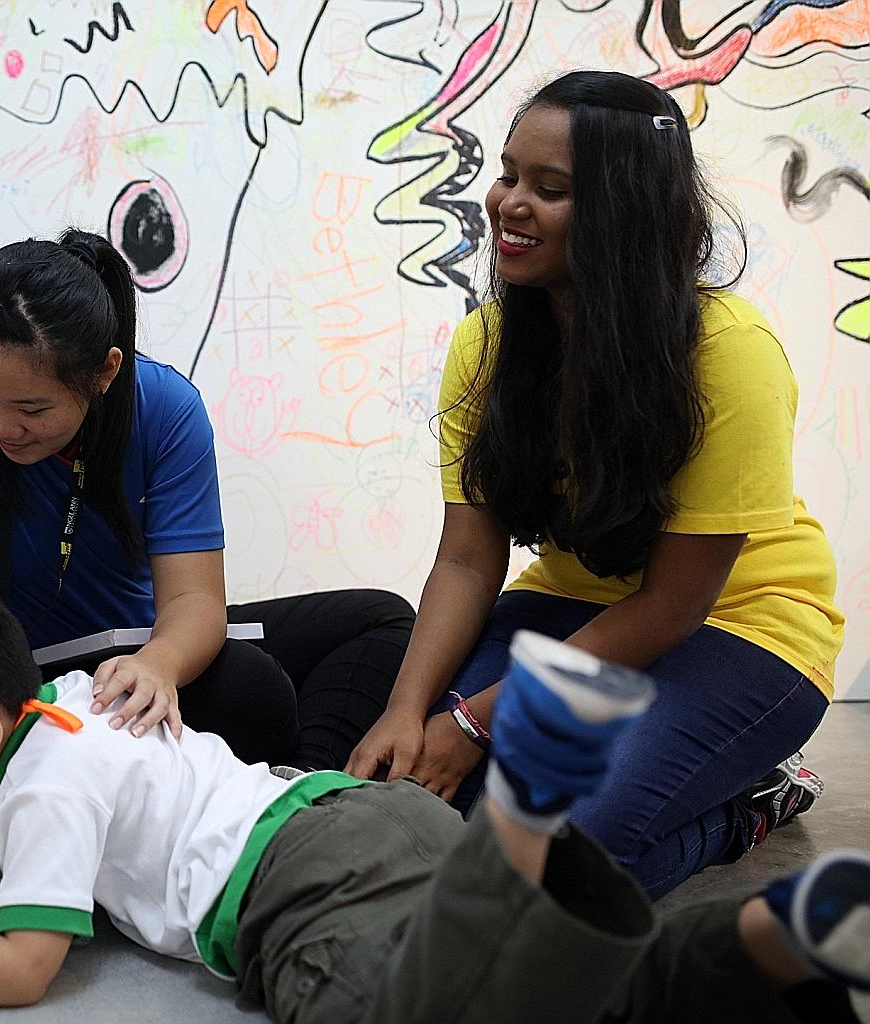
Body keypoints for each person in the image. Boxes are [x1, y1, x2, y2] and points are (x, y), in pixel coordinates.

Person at [0, 566, 870, 1023]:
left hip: (295, 891)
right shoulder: (60, 703)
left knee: (396, 1013)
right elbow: (7, 823)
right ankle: (772, 934)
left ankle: (526, 805)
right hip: (357, 815)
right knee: (545, 999)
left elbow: (23, 962)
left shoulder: (40, 798)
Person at [346, 70, 845, 900]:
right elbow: (469, 561)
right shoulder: (488, 346)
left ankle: (749, 806)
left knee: (552, 853)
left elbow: (672, 607)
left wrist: (471, 720)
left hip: (740, 628)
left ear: (624, 210)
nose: (509, 202)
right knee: (429, 810)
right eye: (508, 174)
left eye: (552, 189)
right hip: (571, 610)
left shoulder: (728, 352)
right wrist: (409, 708)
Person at [0, 228, 414, 859]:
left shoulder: (166, 408)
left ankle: (304, 793)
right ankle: (281, 808)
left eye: (33, 410)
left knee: (382, 620)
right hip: (22, 672)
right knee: (251, 692)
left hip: (132, 648)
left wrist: (159, 665)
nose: (3, 428)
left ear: (103, 372)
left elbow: (196, 603)